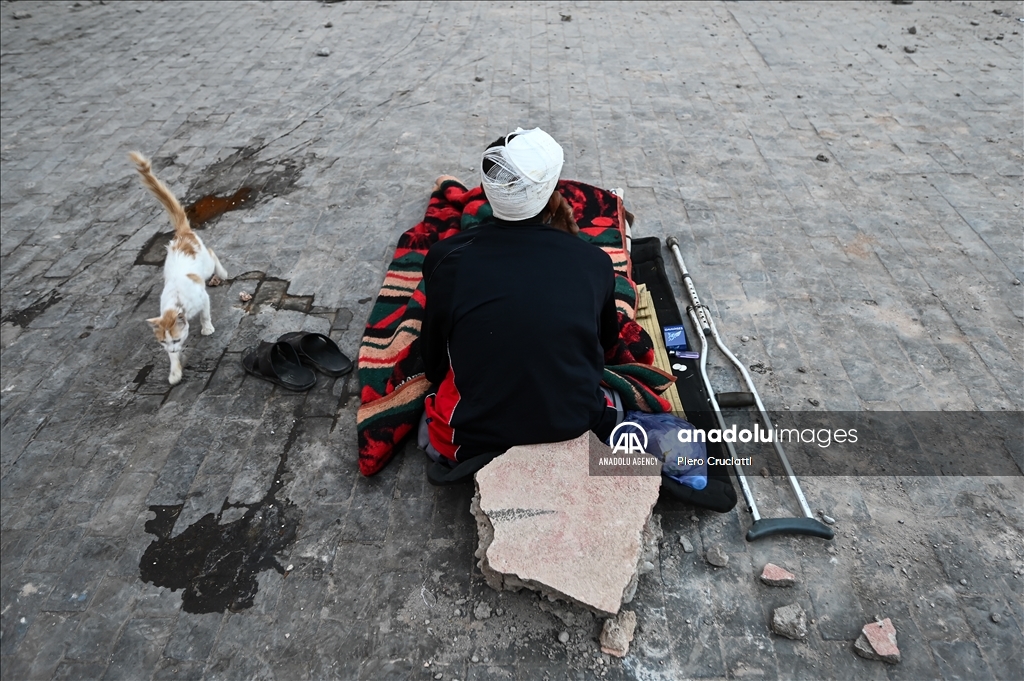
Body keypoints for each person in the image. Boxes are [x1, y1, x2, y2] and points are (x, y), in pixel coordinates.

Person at [419, 127, 623, 465]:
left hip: (470, 439)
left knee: (431, 429)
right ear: (552, 190)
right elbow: (605, 346)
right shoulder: (594, 262)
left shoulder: (445, 258)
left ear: (486, 190)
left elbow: (434, 361)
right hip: (574, 425)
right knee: (609, 400)